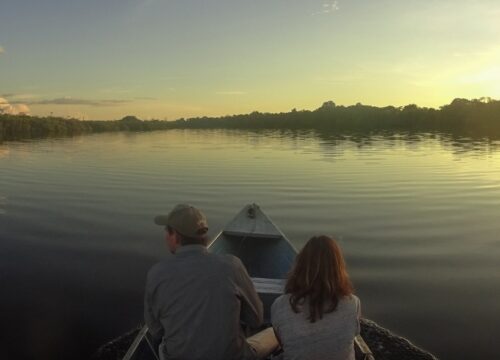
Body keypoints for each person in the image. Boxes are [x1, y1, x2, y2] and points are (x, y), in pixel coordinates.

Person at [144, 204, 277, 360]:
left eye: (167, 230)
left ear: (175, 236)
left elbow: (156, 331)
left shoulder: (156, 273)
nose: (165, 235)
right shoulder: (232, 266)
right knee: (274, 332)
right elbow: (256, 320)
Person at [271, 235, 361, 360]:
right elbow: (353, 334)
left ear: (300, 265)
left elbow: (283, 344)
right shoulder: (353, 303)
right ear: (338, 267)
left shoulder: (280, 305)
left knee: (270, 335)